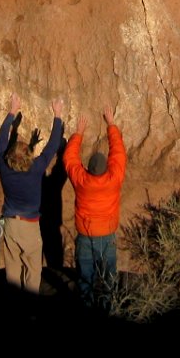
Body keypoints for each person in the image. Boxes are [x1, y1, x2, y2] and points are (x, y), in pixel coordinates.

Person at [0, 92, 64, 293]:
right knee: (33, 272)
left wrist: (12, 111)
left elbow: (1, 139)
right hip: (29, 226)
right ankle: (31, 312)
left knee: (13, 270)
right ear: (29, 156)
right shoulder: (36, 169)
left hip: (10, 224)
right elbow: (52, 147)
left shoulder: (4, 167)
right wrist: (57, 115)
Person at [63, 105, 127, 309]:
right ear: (106, 168)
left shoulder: (81, 181)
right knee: (108, 278)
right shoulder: (113, 179)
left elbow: (69, 159)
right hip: (107, 235)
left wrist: (78, 133)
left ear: (88, 169)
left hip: (85, 235)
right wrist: (111, 124)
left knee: (85, 278)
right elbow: (118, 154)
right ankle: (107, 308)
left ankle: (86, 311)